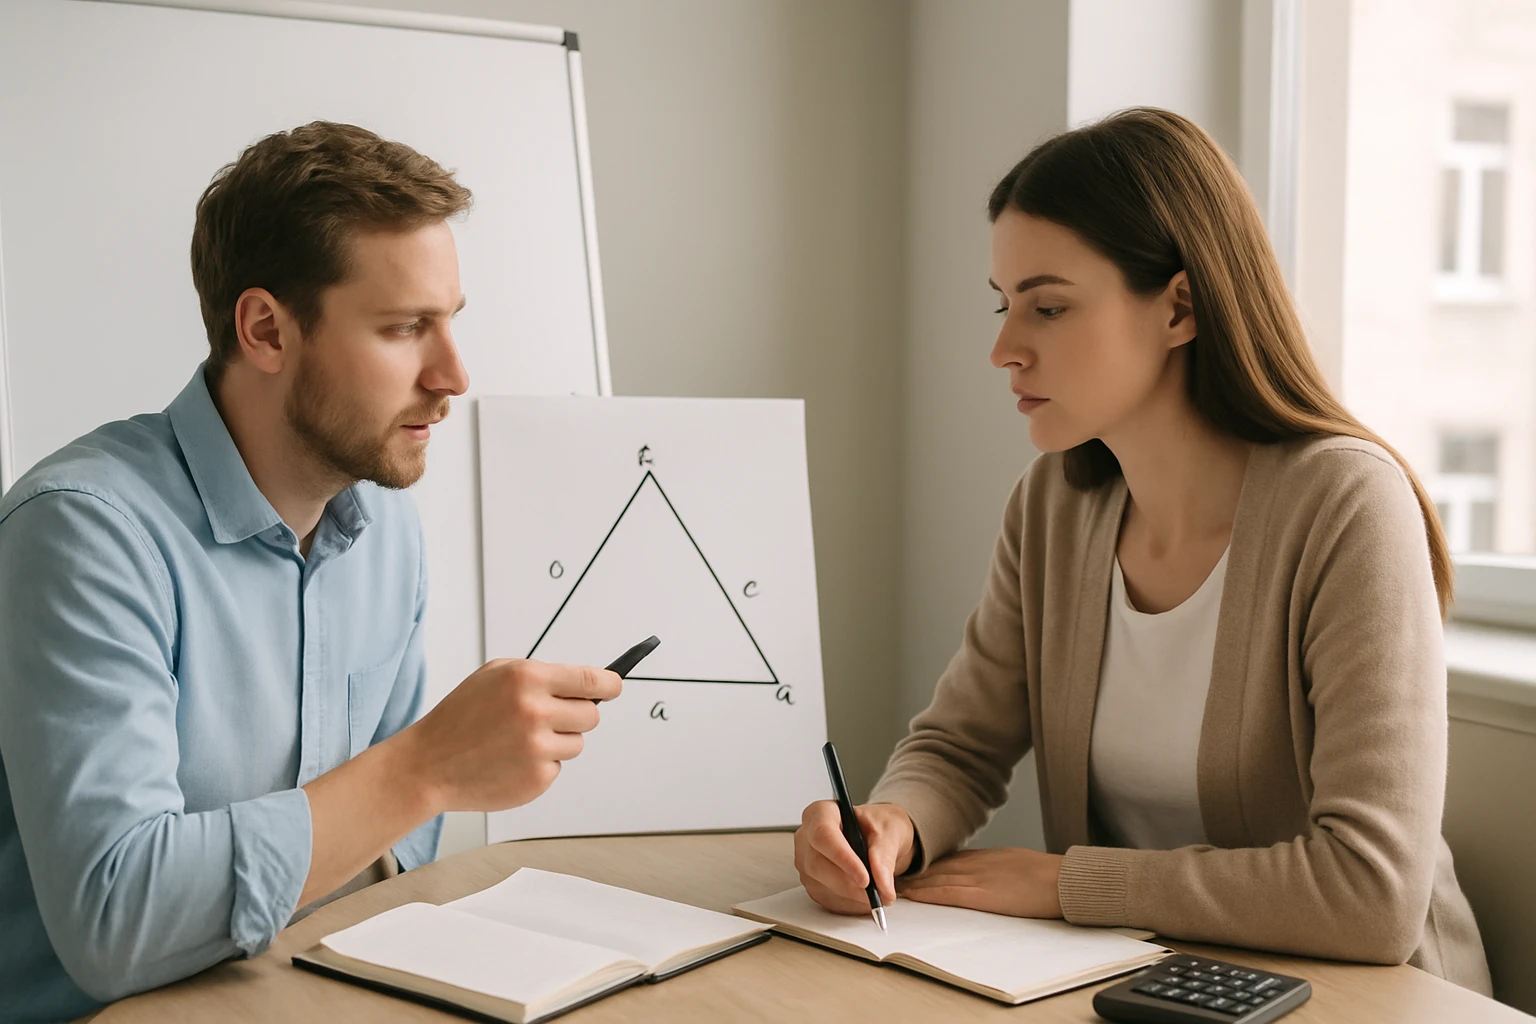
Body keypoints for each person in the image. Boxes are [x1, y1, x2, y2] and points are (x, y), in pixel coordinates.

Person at [794, 108, 1492, 993]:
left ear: (1180, 306)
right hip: (1140, 984)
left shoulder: (1348, 507)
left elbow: (1371, 892)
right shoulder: (1054, 506)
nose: (1004, 349)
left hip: (1366, 1002)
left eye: (1048, 306)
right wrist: (891, 824)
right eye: (1004, 306)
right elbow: (961, 748)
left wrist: (1066, 884)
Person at [0, 122, 621, 1022]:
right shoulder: (84, 535)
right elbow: (115, 919)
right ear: (265, 330)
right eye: (406, 328)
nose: (452, 374)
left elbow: (392, 863)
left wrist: (410, 792)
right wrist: (427, 766)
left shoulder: (386, 530)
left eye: (451, 323)